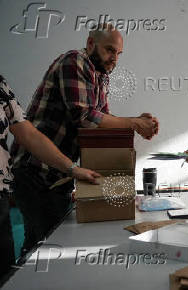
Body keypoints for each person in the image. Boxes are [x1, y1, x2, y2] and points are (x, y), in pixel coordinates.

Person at [10, 23, 159, 257]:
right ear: (91, 44)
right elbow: (84, 117)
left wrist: (138, 122)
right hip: (35, 171)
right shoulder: (74, 61)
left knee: (42, 245)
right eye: (110, 50)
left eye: (118, 54)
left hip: (60, 174)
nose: (114, 59)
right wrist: (134, 123)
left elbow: (103, 122)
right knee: (45, 248)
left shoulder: (101, 76)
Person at [0, 75, 99, 281]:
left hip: (1, 195)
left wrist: (72, 169)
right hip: (33, 179)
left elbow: (29, 135)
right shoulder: (73, 63)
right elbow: (83, 115)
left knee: (6, 272)